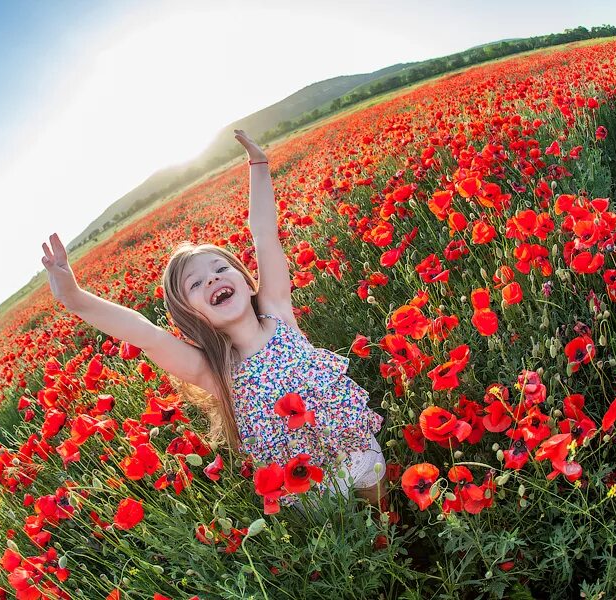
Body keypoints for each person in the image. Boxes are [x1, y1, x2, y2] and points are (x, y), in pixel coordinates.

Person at [40, 129, 387, 514]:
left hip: (354, 447)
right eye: (196, 283)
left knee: (383, 516)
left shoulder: (277, 310)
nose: (213, 279)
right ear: (191, 314)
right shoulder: (213, 369)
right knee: (347, 550)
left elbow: (264, 235)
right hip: (303, 486)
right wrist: (74, 298)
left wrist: (259, 164)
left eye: (221, 268)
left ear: (242, 275)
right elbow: (146, 334)